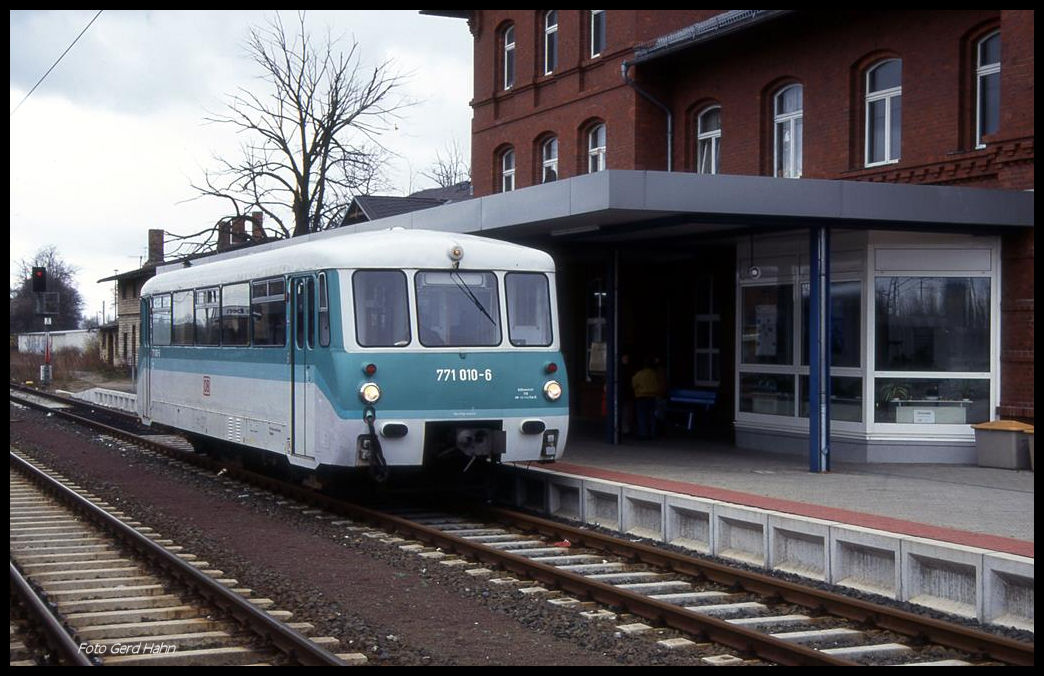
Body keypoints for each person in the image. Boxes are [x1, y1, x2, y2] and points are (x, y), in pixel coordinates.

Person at [631, 356, 660, 440]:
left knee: (642, 416)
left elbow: (633, 384)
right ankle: (652, 433)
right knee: (652, 416)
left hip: (641, 397)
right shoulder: (655, 374)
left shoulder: (639, 374)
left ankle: (643, 434)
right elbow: (659, 384)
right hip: (652, 397)